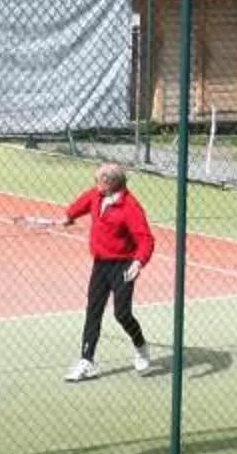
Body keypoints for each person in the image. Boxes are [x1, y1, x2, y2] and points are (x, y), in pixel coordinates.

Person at [49, 161, 157, 381]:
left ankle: (140, 345)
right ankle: (86, 361)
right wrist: (69, 215)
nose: (94, 182)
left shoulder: (130, 207)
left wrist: (138, 262)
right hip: (100, 264)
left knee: (122, 314)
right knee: (93, 311)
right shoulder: (96, 195)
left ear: (109, 183)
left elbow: (145, 239)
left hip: (124, 265)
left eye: (97, 179)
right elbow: (82, 202)